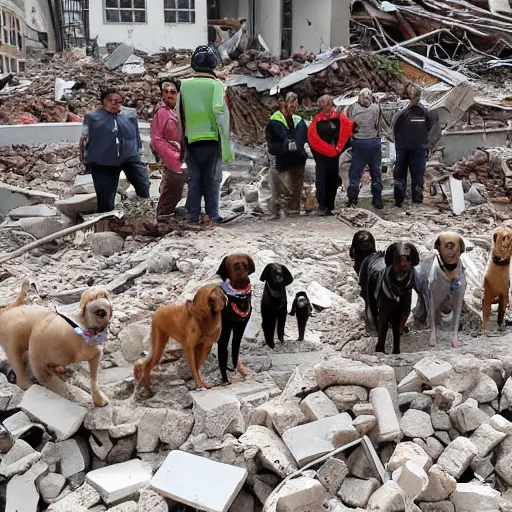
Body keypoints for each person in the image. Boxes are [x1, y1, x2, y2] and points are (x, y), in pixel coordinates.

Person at [177, 45, 233, 224]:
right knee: (212, 180)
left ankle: (193, 215)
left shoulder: (184, 85)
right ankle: (213, 215)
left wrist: (183, 140)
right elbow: (220, 113)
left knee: (194, 180)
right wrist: (225, 143)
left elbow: (179, 114)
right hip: (212, 139)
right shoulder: (216, 85)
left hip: (191, 139)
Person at [79, 89, 150, 213]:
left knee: (142, 183)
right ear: (103, 103)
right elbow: (84, 138)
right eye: (110, 100)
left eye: (117, 100)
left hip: (130, 157)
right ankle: (107, 220)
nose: (114, 103)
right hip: (103, 161)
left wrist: (141, 153)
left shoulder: (130, 114)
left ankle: (144, 210)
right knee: (105, 196)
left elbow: (136, 134)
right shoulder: (93, 117)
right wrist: (84, 159)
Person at [308, 94, 354, 215]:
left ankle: (330, 206)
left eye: (328, 104)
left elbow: (347, 132)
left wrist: (339, 150)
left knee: (332, 181)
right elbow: (312, 138)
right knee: (321, 181)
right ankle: (322, 206)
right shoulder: (317, 119)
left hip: (336, 156)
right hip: (322, 157)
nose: (326, 107)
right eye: (323, 105)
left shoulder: (340, 117)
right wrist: (323, 152)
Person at [392, 84, 437, 207]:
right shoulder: (425, 112)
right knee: (416, 175)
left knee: (402, 175)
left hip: (405, 148)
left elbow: (394, 129)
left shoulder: (402, 113)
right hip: (417, 148)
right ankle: (416, 200)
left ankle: (399, 200)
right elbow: (431, 128)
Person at [265, 92, 308, 219]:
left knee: (295, 186)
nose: (294, 108)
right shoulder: (275, 121)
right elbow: (273, 143)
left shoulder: (298, 120)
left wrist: (290, 145)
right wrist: (288, 146)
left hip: (297, 160)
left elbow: (299, 141)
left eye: (295, 105)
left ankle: (293, 209)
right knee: (279, 186)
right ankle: (276, 210)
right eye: (291, 105)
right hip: (281, 160)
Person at [150, 77, 185, 219]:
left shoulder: (174, 111)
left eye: (173, 92)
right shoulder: (162, 113)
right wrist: (172, 158)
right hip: (172, 159)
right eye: (166, 92)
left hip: (178, 157)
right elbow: (156, 140)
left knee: (174, 191)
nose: (169, 95)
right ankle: (162, 218)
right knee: (170, 191)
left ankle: (165, 216)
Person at [345, 88, 384, 210]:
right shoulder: (376, 108)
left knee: (355, 174)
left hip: (359, 143)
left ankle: (352, 199)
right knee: (376, 172)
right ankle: (377, 200)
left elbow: (350, 125)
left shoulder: (352, 108)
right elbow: (378, 124)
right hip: (373, 143)